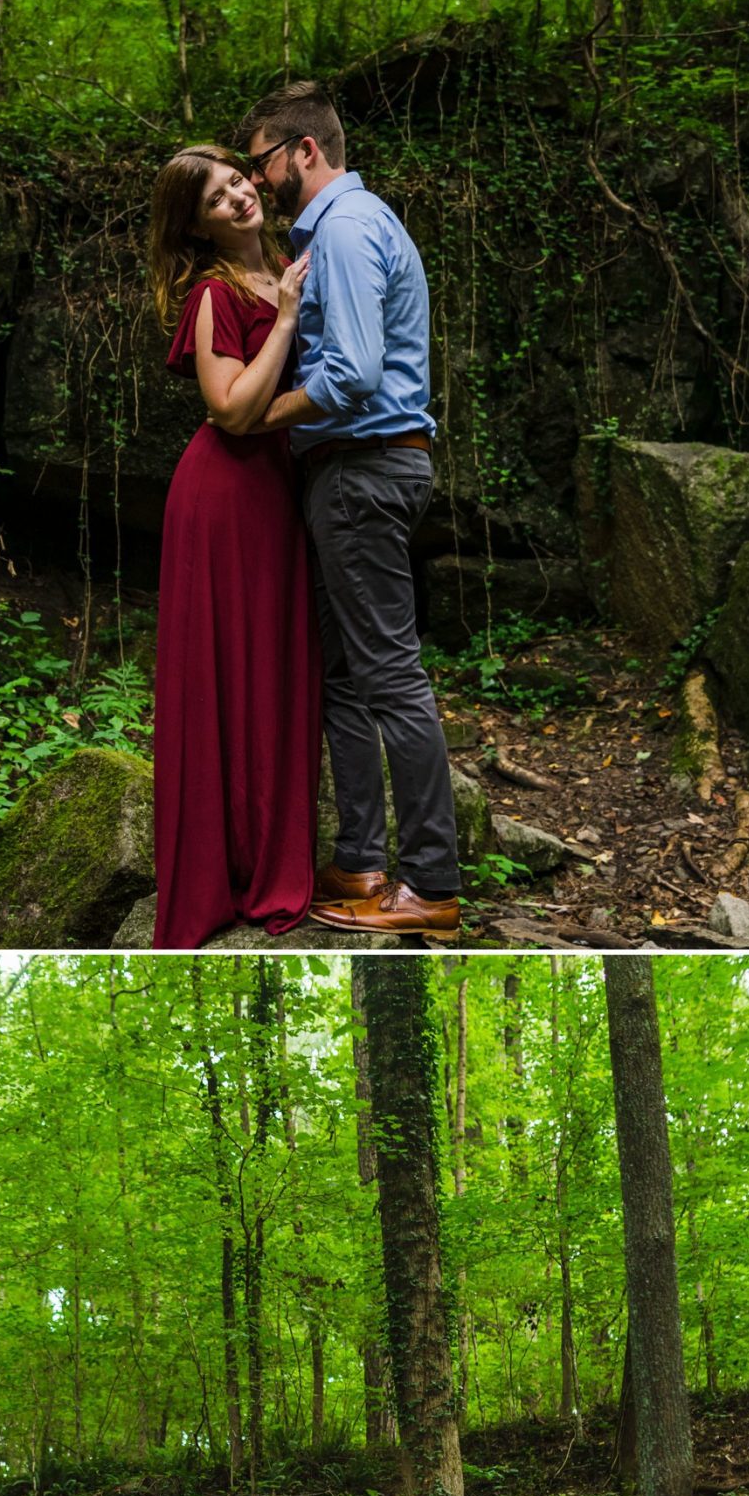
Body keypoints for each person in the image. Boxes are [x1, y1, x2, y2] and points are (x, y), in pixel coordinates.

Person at [237, 80, 460, 941]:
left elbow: (353, 374)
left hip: (366, 468)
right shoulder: (332, 232)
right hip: (346, 474)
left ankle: (432, 882)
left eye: (261, 163)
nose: (255, 183)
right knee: (345, 677)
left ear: (304, 152)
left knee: (389, 674)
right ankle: (362, 860)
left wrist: (259, 415)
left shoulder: (349, 228)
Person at [144, 146, 322, 950]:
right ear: (198, 224)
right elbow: (230, 412)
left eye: (237, 179)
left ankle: (270, 859)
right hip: (222, 499)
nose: (238, 196)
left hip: (278, 494)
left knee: (275, 669)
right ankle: (222, 877)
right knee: (226, 673)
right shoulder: (215, 294)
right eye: (216, 197)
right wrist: (285, 318)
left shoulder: (289, 261)